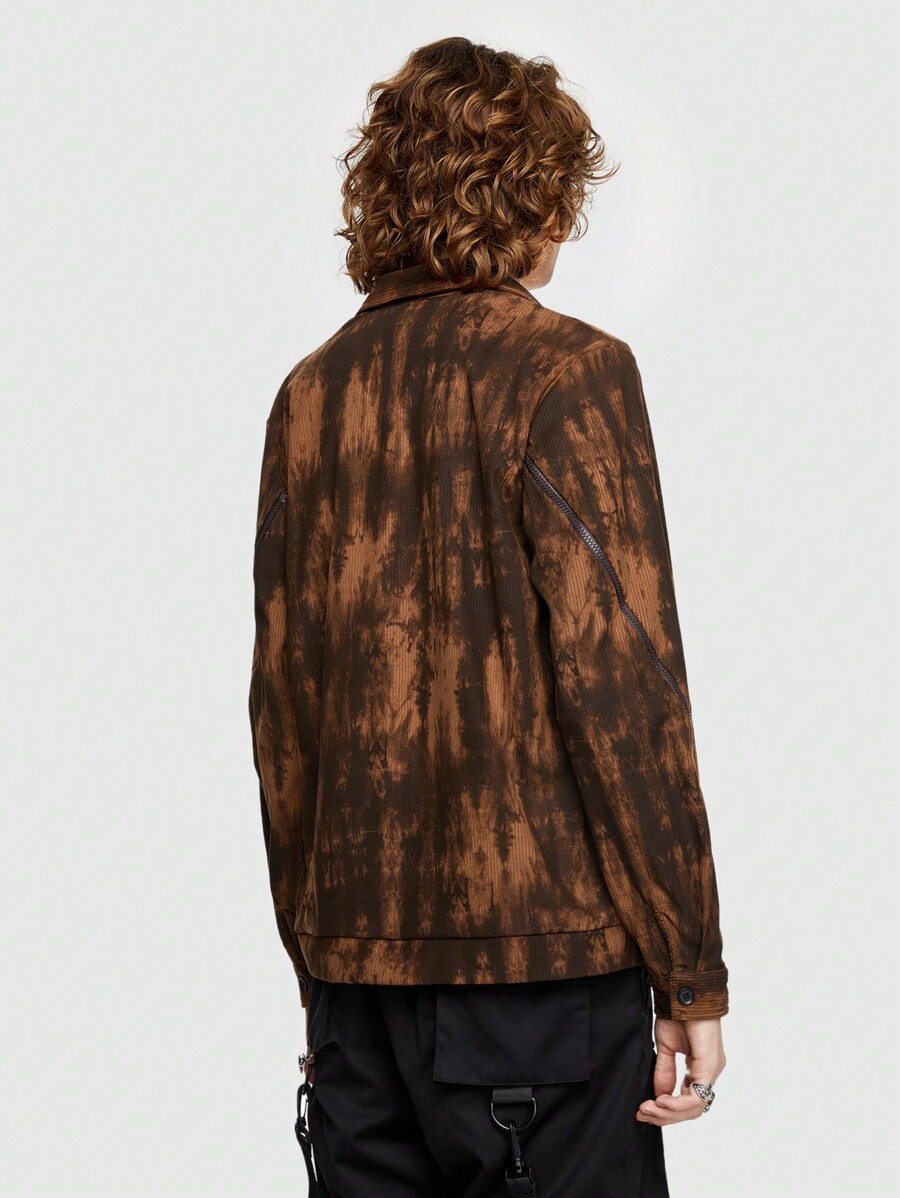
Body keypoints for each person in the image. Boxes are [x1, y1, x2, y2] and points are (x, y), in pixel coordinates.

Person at [249, 36, 729, 1198]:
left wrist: (320, 973)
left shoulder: (311, 395)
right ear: (532, 196)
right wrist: (690, 973)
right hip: (542, 990)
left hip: (360, 990)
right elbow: (625, 693)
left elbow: (282, 717)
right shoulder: (568, 373)